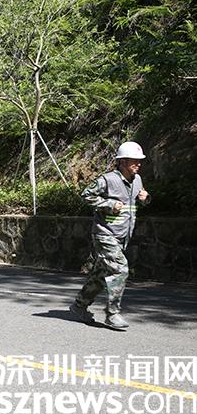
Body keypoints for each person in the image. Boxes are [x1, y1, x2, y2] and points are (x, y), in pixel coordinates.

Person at [70, 141, 150, 330]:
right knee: (120, 269)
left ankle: (79, 306)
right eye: (134, 161)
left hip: (123, 235)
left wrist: (146, 199)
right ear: (122, 161)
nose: (138, 164)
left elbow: (138, 203)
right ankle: (112, 314)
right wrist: (108, 204)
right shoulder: (107, 180)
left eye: (139, 161)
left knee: (100, 274)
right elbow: (86, 195)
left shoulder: (137, 180)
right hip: (104, 234)